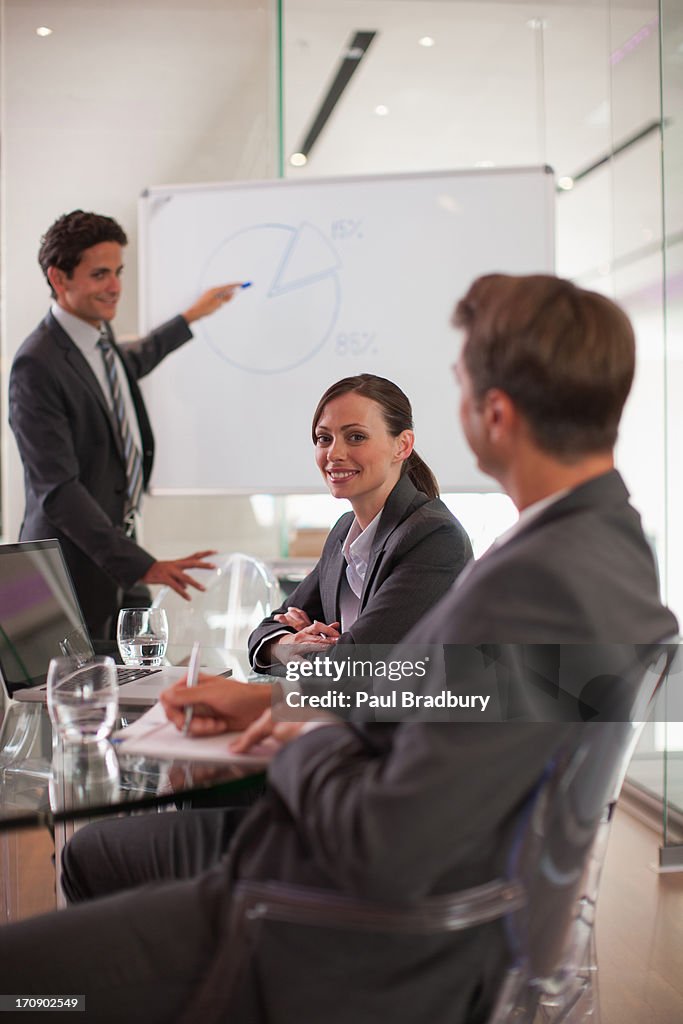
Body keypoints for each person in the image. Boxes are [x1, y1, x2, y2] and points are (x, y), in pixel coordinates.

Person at [0, 275, 676, 1024]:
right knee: (94, 857)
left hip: (325, 924)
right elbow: (447, 689)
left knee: (21, 986)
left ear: (495, 411)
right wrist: (274, 695)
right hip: (391, 895)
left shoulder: (531, 578)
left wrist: (295, 739)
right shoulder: (598, 549)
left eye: (457, 382)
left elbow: (384, 840)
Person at [9, 209, 244, 639]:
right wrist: (144, 564)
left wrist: (191, 316)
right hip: (67, 573)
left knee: (138, 682)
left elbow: (128, 364)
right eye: (100, 274)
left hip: (115, 560)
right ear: (59, 279)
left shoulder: (99, 342)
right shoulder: (36, 364)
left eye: (118, 272)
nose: (116, 287)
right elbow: (58, 492)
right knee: (73, 699)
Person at [249, 373, 473, 668]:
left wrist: (314, 647)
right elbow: (263, 631)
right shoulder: (345, 531)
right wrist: (286, 644)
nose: (334, 453)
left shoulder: (434, 536)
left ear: (402, 445)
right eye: (323, 438)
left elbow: (357, 664)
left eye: (356, 437)